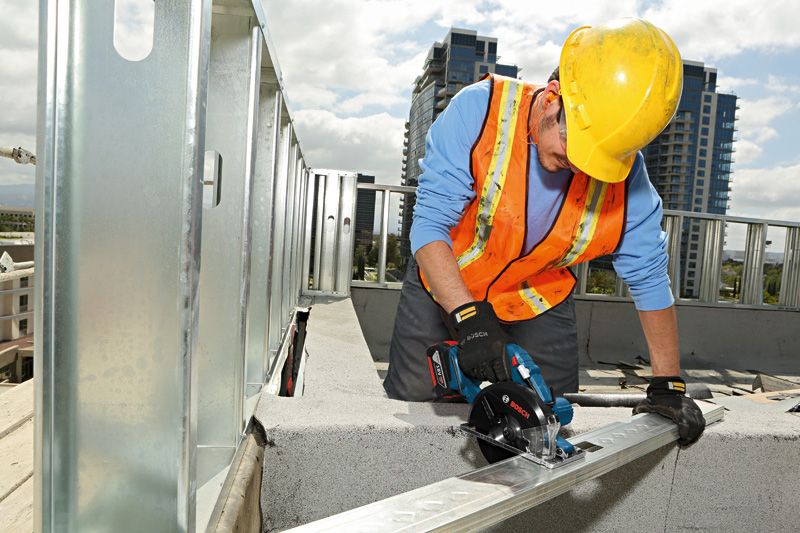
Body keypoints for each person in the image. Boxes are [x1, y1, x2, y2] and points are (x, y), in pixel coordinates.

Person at [383, 18, 705, 445]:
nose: (580, 167)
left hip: (540, 301)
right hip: (444, 281)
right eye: (575, 148)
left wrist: (669, 383)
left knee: (548, 419)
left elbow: (649, 279)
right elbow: (428, 225)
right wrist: (467, 318)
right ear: (553, 98)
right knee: (415, 415)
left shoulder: (628, 182)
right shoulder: (479, 113)